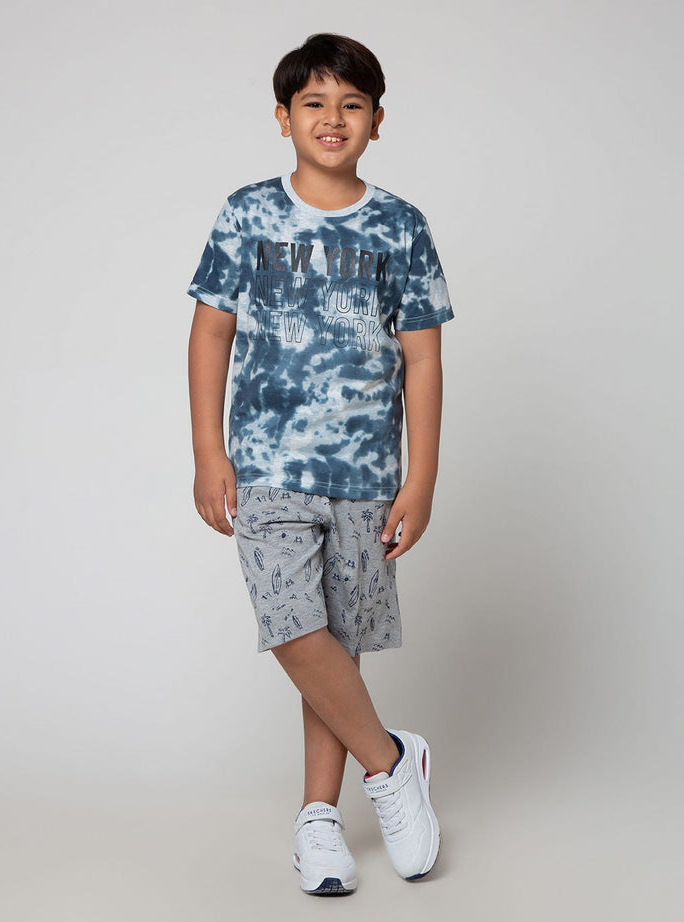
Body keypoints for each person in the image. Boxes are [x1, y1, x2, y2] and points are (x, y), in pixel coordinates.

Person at [186, 33, 454, 896]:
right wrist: (208, 450)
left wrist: (420, 477)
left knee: (338, 644)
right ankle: (391, 762)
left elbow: (422, 356)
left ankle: (319, 820)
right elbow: (211, 332)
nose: (332, 118)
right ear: (283, 118)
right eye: (314, 103)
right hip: (265, 467)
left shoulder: (400, 225)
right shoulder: (247, 214)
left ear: (377, 120)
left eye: (351, 104)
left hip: (366, 474)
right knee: (293, 627)